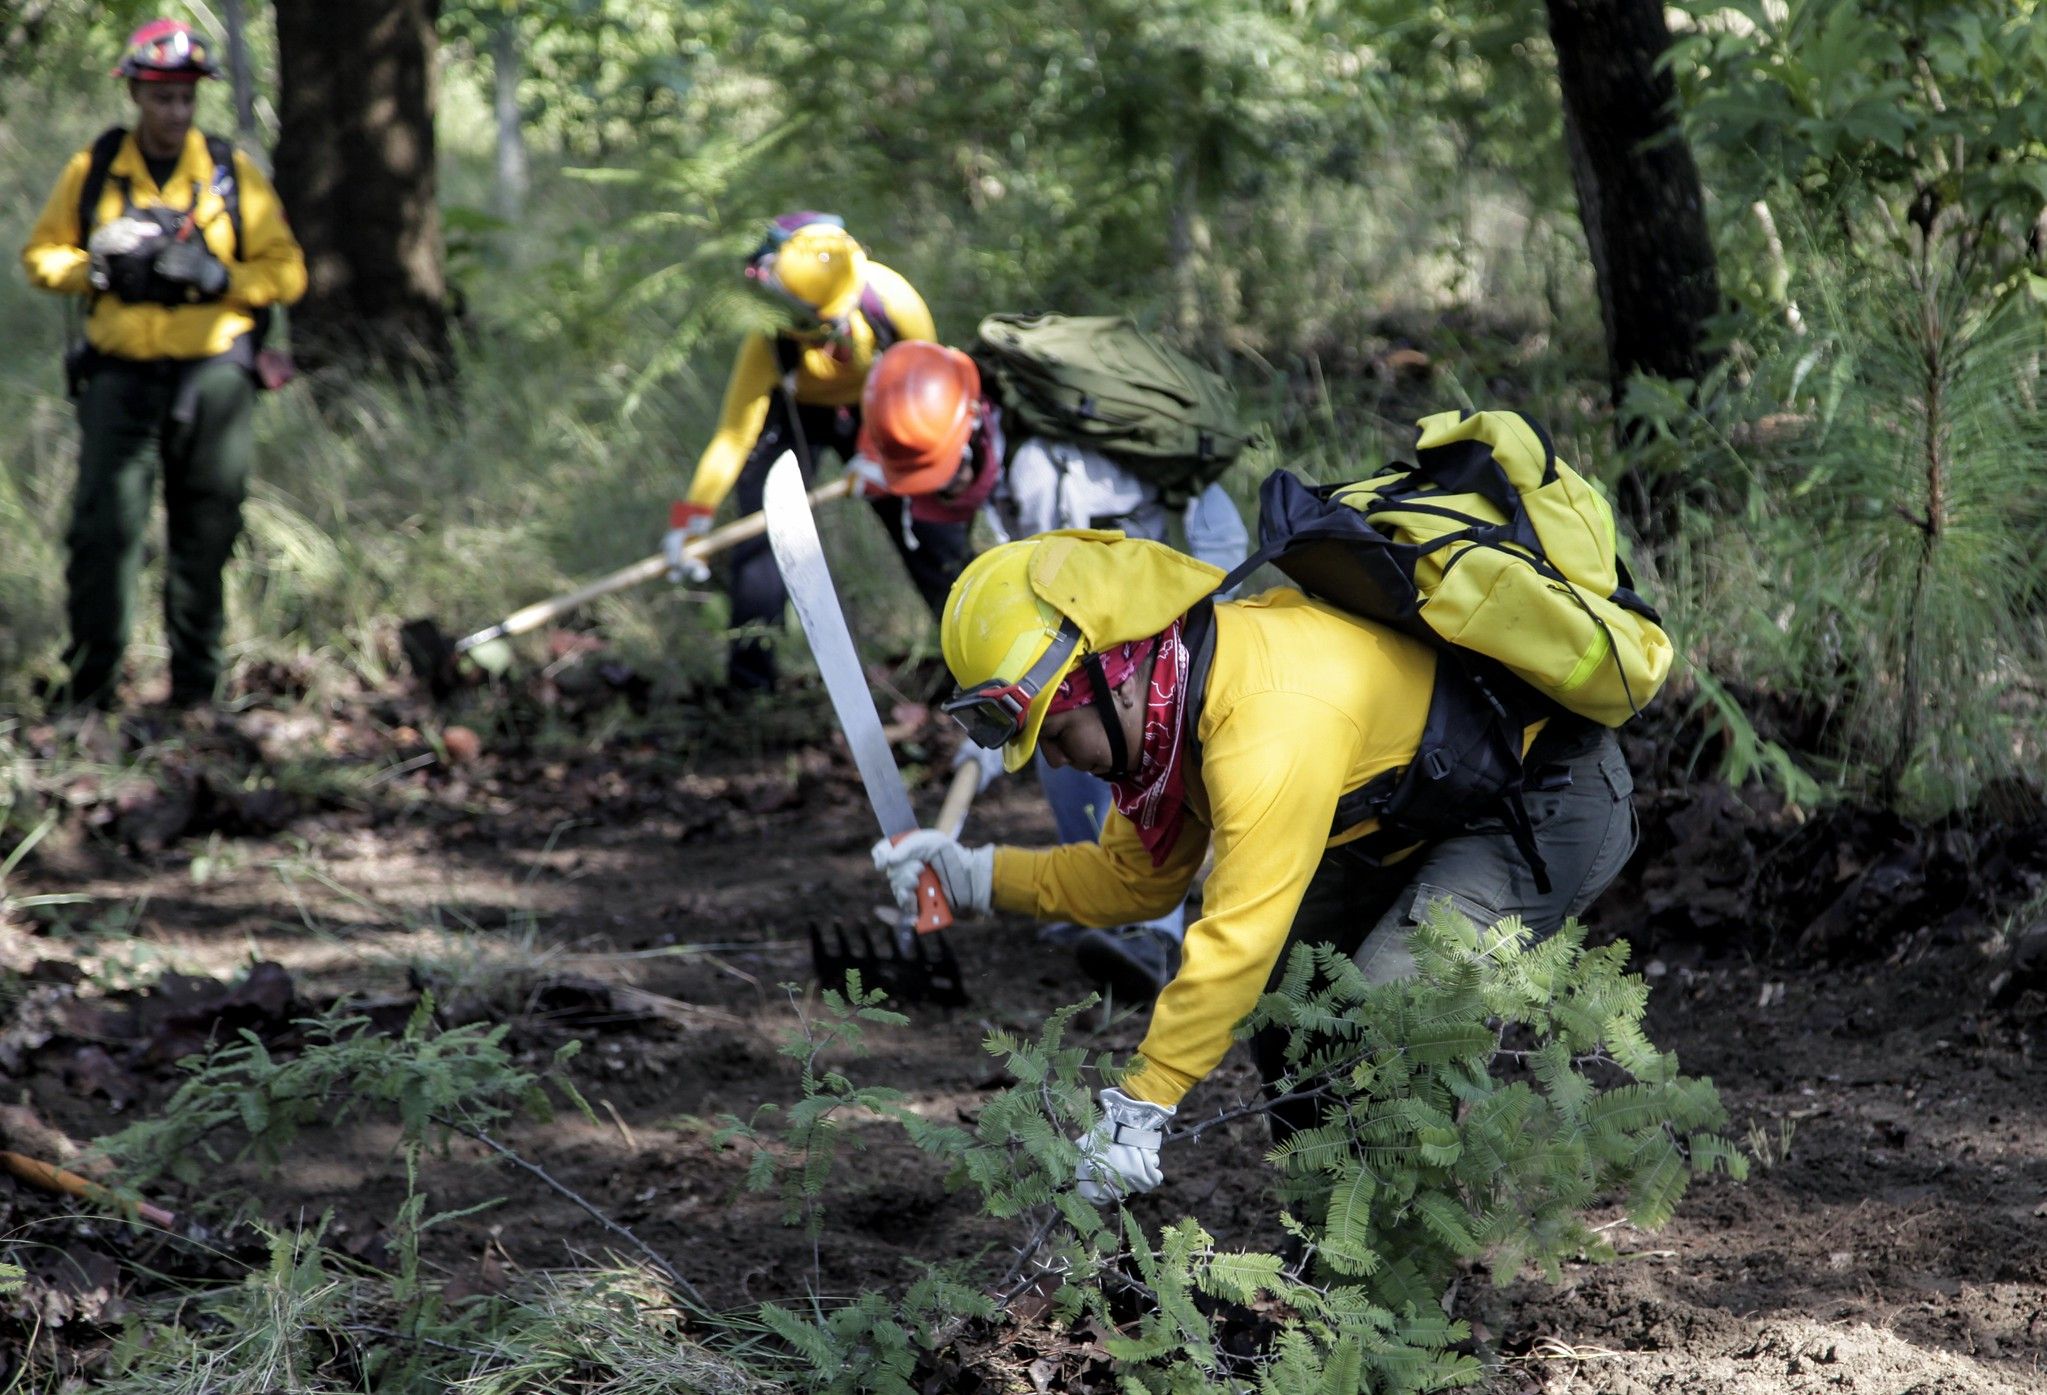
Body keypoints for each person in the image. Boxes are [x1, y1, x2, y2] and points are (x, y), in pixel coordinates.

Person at [870, 530, 1638, 1203]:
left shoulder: (1259, 717)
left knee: (1391, 1015)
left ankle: (1396, 1296)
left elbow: (1239, 933)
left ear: (1117, 675)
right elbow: (1133, 881)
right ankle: (1324, 1235)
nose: (1055, 759)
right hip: (1424, 811)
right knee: (1288, 1001)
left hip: (1547, 801)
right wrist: (974, 875)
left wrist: (1145, 1101)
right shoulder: (1171, 720)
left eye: (1057, 734)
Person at [857, 339, 1251, 1002]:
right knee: (1060, 734)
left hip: (1188, 609)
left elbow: (1058, 659)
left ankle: (1151, 933)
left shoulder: (1043, 478)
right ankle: (1101, 906)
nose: (944, 494)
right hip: (1129, 642)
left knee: (1086, 731)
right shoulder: (1006, 482)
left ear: (976, 433)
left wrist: (997, 729)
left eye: (944, 475)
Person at [21, 18, 307, 711]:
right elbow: (40, 258)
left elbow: (287, 272)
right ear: (137, 97)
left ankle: (195, 696)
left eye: (185, 98)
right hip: (119, 376)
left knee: (205, 532)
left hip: (214, 377)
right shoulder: (94, 170)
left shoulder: (228, 173)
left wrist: (217, 277)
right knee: (103, 533)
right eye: (162, 98)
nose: (175, 112)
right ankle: (90, 694)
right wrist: (96, 268)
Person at [665, 213, 969, 693]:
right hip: (797, 414)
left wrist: (876, 452)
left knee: (929, 530)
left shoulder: (892, 302)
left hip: (886, 409)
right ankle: (751, 690)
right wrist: (691, 518)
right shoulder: (768, 340)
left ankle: (972, 664)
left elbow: (925, 383)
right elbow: (733, 435)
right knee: (762, 538)